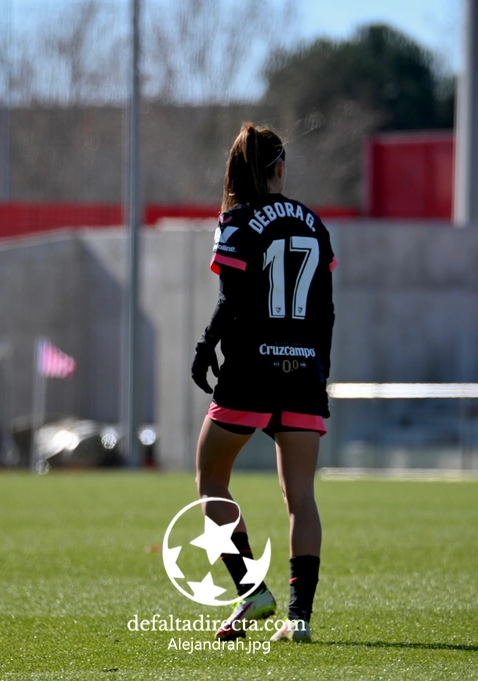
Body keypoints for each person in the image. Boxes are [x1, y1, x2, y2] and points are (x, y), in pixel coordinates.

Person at [191, 123, 336, 644]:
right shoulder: (316, 225)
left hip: (252, 369)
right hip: (304, 370)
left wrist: (205, 348)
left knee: (210, 480)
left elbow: (232, 301)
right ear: (279, 166)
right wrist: (320, 370)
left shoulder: (237, 220)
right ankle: (300, 619)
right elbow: (325, 311)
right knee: (301, 497)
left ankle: (253, 592)